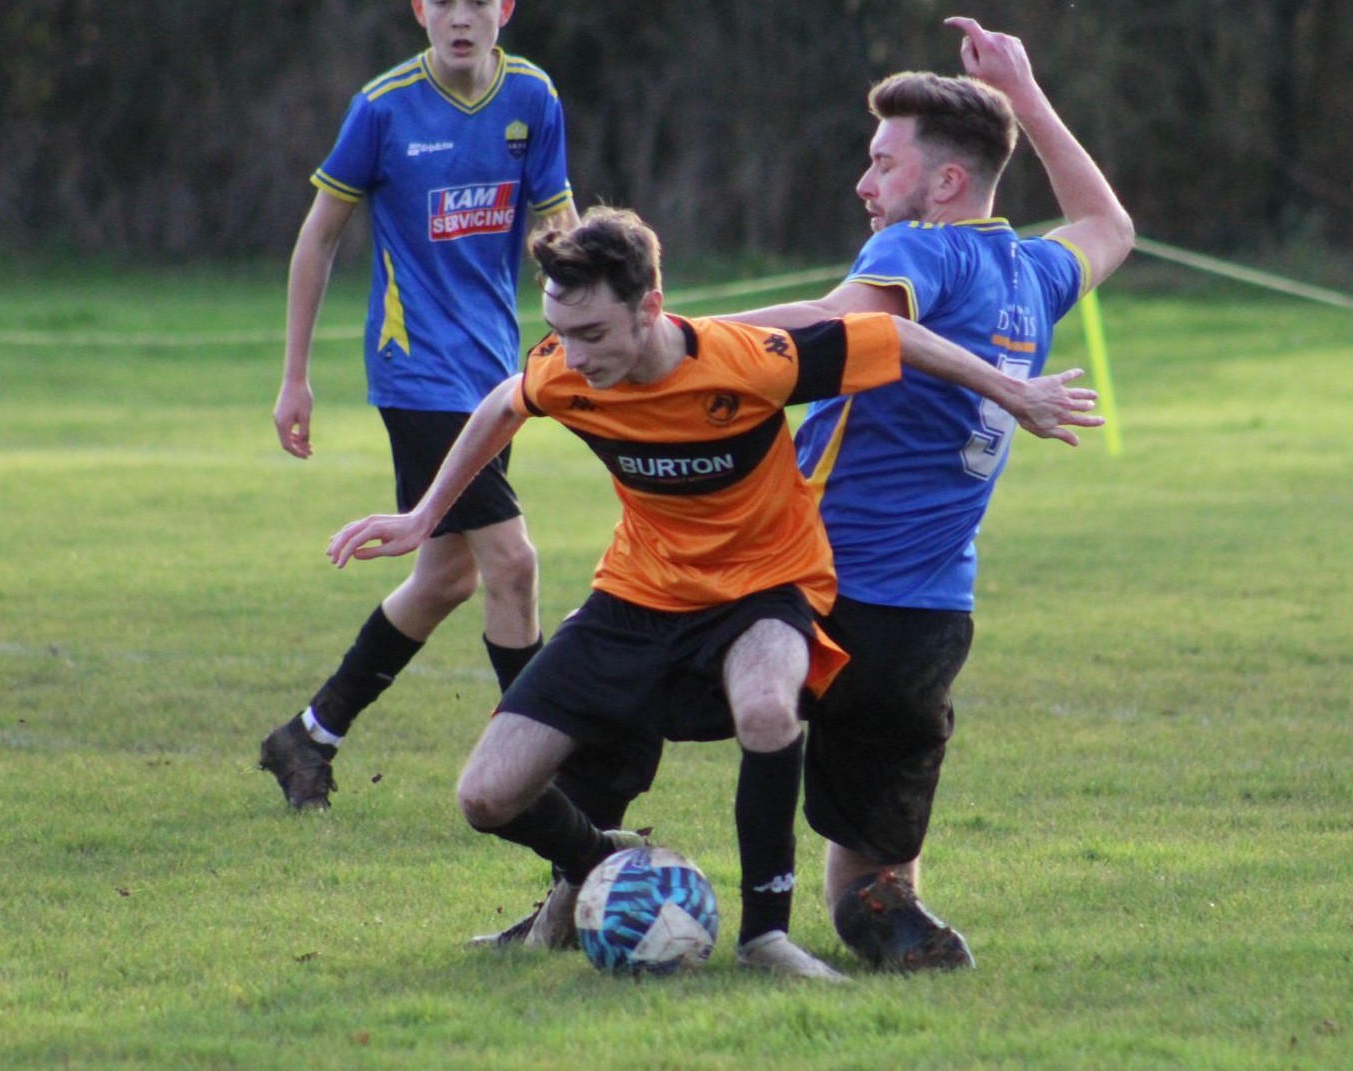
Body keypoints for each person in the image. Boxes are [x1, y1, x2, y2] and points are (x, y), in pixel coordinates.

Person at [325, 206, 1102, 979]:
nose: (574, 354)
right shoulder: (566, 371)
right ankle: (601, 860)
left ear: (651, 307)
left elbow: (891, 335)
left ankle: (765, 936)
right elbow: (502, 402)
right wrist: (425, 513)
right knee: (485, 797)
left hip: (763, 591)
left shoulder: (749, 361)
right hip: (634, 598)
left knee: (768, 705)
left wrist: (1011, 391)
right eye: (561, 331)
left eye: (593, 333)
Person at [715, 17, 1135, 968]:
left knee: (608, 705)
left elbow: (835, 329)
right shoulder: (1031, 275)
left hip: (812, 588)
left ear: (944, 183)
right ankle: (883, 903)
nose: (864, 185)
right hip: (927, 614)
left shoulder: (921, 254)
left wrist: (679, 336)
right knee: (863, 889)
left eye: (880, 163)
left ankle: (585, 870)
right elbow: (1112, 226)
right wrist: (1024, 96)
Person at [257, 0, 583, 811]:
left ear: (504, 9)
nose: (461, 17)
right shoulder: (382, 107)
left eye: (479, 1)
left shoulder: (533, 98)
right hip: (417, 374)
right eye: (444, 1)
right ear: (420, 10)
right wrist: (295, 375)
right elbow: (319, 236)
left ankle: (309, 734)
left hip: (495, 377)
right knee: (513, 561)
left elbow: (558, 224)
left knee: (446, 577)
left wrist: (588, 317)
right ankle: (537, 775)